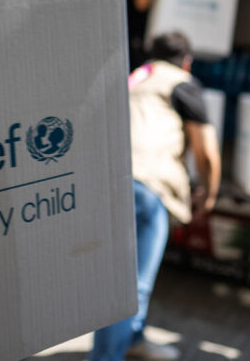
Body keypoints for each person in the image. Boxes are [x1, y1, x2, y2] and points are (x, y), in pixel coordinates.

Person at [90, 31, 221, 361]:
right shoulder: (182, 83)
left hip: (107, 183)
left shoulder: (134, 78)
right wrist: (209, 194)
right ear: (187, 62)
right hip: (145, 188)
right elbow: (206, 152)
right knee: (130, 288)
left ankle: (134, 341)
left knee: (117, 280)